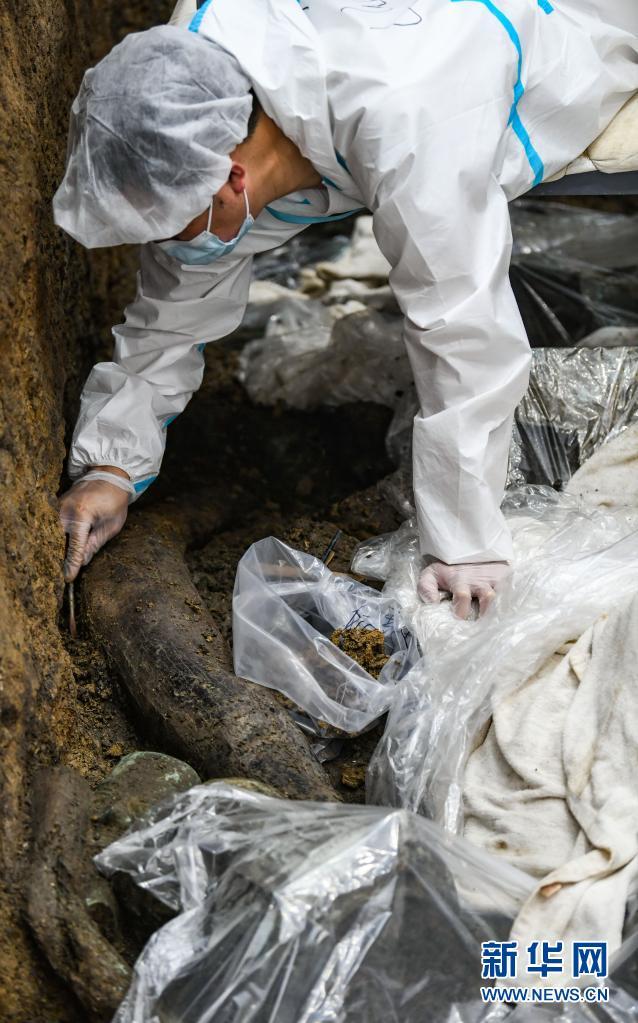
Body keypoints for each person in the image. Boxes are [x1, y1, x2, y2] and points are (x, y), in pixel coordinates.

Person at [54, 0, 638, 619]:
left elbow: (460, 324)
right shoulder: (187, 95)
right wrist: (110, 468)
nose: (164, 245)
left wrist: (465, 545)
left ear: (231, 180)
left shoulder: (407, 119)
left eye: (168, 227)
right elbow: (169, 312)